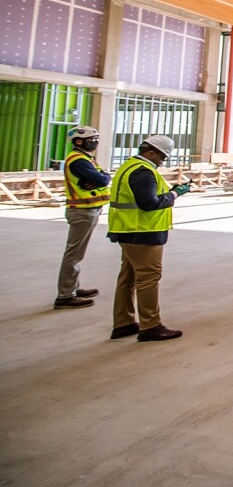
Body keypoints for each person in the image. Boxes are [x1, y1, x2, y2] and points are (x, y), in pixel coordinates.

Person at [108, 134, 188, 341]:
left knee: (128, 278)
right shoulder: (143, 172)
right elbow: (149, 203)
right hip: (143, 232)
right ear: (150, 152)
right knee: (148, 279)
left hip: (127, 229)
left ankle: (123, 323)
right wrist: (175, 194)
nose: (162, 161)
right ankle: (150, 325)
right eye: (161, 157)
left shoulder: (129, 166)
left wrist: (168, 193)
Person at [55, 126, 110, 310]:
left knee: (76, 253)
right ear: (79, 141)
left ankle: (72, 288)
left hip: (88, 210)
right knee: (74, 254)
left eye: (96, 139)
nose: (95, 143)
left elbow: (101, 177)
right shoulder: (79, 161)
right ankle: (65, 296)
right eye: (91, 139)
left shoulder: (85, 159)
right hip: (82, 211)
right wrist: (103, 177)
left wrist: (102, 176)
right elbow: (102, 180)